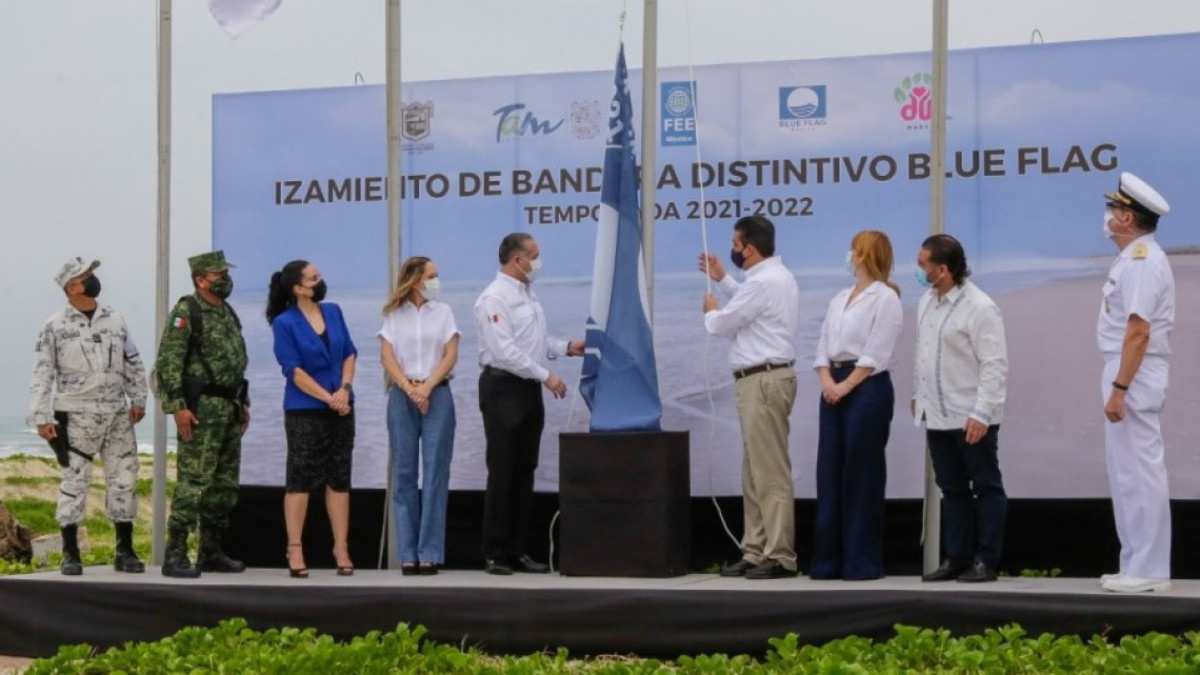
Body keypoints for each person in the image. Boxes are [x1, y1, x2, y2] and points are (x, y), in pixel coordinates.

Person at [28, 257, 149, 575]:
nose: (95, 279)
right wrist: (42, 416)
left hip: (117, 415)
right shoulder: (55, 325)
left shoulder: (116, 319)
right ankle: (71, 553)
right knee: (75, 482)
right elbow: (43, 373)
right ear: (71, 287)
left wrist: (138, 397)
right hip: (75, 416)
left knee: (124, 480)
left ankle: (125, 550)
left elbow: (132, 359)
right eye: (87, 276)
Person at [474, 232, 584, 575]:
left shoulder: (528, 294)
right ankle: (495, 552)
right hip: (503, 388)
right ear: (516, 260)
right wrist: (546, 376)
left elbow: (533, 343)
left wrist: (566, 347)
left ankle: (518, 550)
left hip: (527, 389)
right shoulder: (493, 298)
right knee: (503, 471)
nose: (538, 262)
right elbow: (505, 352)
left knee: (525, 471)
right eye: (534, 256)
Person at [699, 215, 800, 580]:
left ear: (750, 248)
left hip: (763, 381)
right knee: (754, 471)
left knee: (769, 471)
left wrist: (711, 313)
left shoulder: (765, 282)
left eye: (736, 245)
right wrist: (723, 278)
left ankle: (780, 554)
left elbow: (728, 322)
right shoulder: (769, 278)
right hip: (760, 380)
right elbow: (746, 300)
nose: (734, 249)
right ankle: (756, 549)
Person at [913, 234, 1008, 583]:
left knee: (985, 486)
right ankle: (957, 557)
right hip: (936, 413)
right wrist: (916, 392)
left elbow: (994, 364)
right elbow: (923, 350)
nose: (918, 269)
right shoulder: (926, 300)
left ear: (943, 269)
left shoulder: (979, 306)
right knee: (951, 488)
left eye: (923, 264)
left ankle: (986, 560)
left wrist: (982, 413)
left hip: (971, 414)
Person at [1096, 172, 1175, 594]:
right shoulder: (1132, 257)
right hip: (1124, 367)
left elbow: (1139, 329)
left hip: (1135, 371)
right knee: (1125, 471)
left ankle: (1149, 567)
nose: (1107, 216)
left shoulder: (1144, 260)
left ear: (1126, 218)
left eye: (1113, 210)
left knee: (1140, 470)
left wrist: (1121, 387)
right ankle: (1135, 563)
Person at [809, 231, 903, 580]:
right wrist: (827, 383)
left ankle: (861, 564)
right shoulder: (839, 298)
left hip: (867, 389)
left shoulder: (885, 298)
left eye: (854, 249)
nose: (849, 254)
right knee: (829, 471)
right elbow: (822, 344)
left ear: (864, 254)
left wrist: (846, 386)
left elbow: (877, 352)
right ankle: (827, 562)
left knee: (861, 474)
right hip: (834, 386)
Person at [155, 250, 250, 578]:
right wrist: (178, 407)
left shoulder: (226, 311)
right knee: (194, 481)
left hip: (229, 408)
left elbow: (235, 361)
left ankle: (210, 551)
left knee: (224, 484)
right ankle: (175, 552)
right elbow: (168, 363)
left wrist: (243, 402)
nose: (225, 279)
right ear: (201, 280)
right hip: (201, 411)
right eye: (219, 274)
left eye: (226, 273)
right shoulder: (187, 311)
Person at [267, 260, 358, 578]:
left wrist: (344, 390)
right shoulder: (284, 323)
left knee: (339, 477)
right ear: (297, 288)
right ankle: (294, 548)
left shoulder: (333, 311)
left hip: (342, 406)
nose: (320, 282)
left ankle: (341, 547)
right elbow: (293, 371)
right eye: (314, 278)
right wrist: (328, 397)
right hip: (305, 409)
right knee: (301, 479)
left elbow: (349, 352)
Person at [380, 256, 459, 576]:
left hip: (437, 394)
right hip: (402, 395)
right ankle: (408, 553)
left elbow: (451, 353)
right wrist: (409, 388)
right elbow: (387, 355)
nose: (436, 281)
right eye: (431, 275)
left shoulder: (444, 312)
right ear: (414, 280)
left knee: (436, 473)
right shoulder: (394, 315)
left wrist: (427, 387)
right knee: (403, 475)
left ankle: (430, 552)